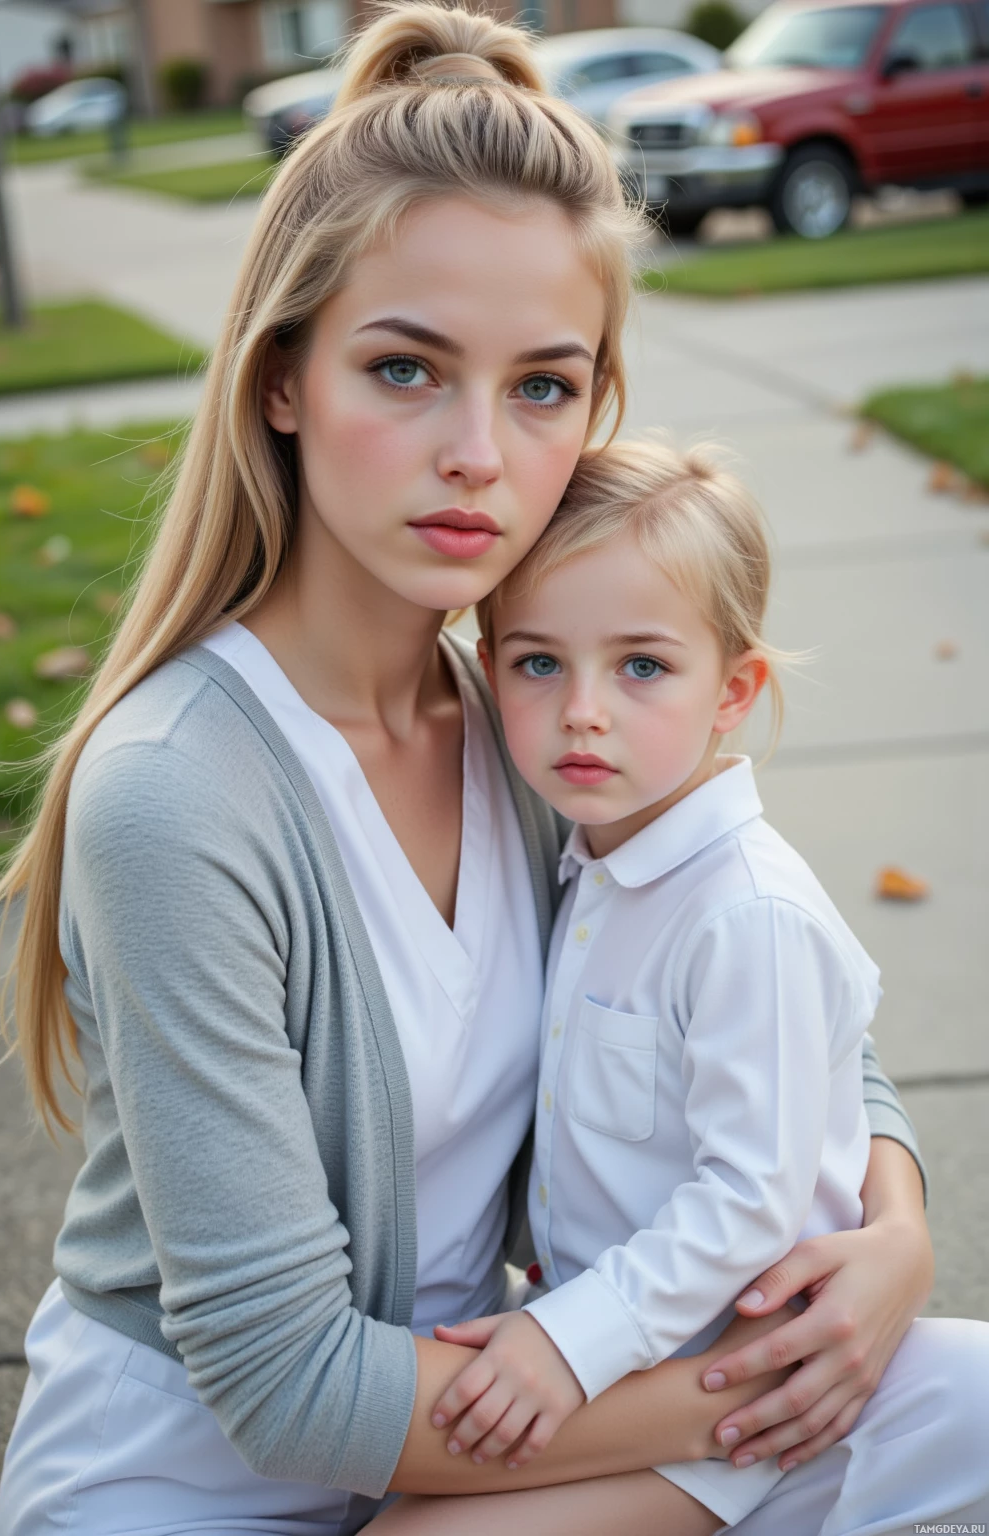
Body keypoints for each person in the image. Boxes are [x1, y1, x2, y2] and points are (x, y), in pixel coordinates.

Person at [0, 7, 982, 1534]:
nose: (480, 454)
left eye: (542, 387)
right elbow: (291, 1389)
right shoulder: (181, 796)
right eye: (405, 369)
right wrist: (769, 1389)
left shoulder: (534, 714)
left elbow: (783, 997)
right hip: (217, 1479)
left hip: (521, 1404)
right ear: (280, 380)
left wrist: (892, 1242)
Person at [363, 443, 989, 1536]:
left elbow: (748, 1197)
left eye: (642, 666)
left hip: (731, 1397)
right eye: (538, 663)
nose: (583, 711)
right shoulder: (587, 859)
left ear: (733, 690)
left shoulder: (746, 917)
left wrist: (567, 1341)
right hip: (619, 1355)